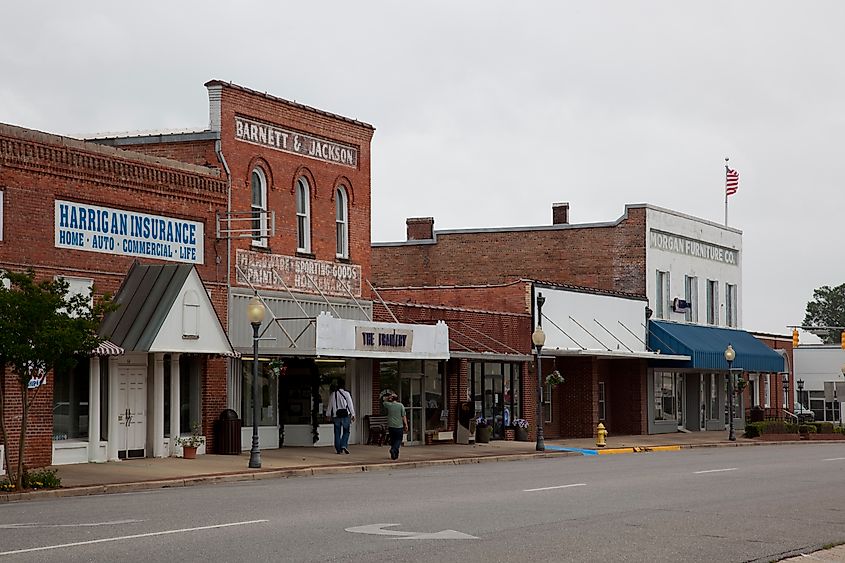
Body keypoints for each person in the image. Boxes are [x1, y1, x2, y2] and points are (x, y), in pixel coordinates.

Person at [327, 380, 355, 454]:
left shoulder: (333, 394)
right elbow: (350, 404)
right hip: (345, 415)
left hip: (336, 416)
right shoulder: (346, 394)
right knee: (346, 431)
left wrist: (328, 414)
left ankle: (338, 449)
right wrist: (353, 414)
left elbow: (330, 405)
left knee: (337, 432)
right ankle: (343, 445)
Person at [382, 391, 408, 461]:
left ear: (391, 399)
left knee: (393, 440)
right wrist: (406, 424)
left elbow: (383, 401)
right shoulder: (401, 405)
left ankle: (395, 455)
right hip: (399, 426)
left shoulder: (388, 405)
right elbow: (403, 416)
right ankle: (393, 450)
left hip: (391, 426)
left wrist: (388, 398)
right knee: (398, 440)